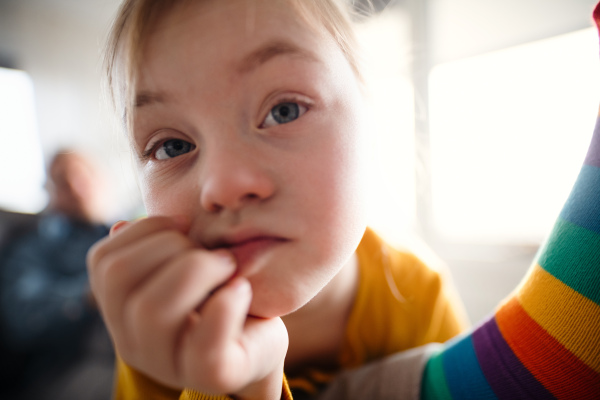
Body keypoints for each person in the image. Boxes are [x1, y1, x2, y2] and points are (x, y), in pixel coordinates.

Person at [87, 1, 470, 399]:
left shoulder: (420, 293)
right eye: (171, 146)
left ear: (372, 125)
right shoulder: (159, 323)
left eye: (284, 111)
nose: (222, 185)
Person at [0, 150, 114, 400]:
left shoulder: (118, 232)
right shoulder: (33, 245)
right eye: (62, 181)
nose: (75, 187)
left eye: (81, 176)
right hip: (72, 369)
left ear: (99, 182)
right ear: (49, 192)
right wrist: (90, 294)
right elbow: (23, 315)